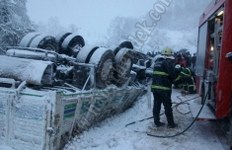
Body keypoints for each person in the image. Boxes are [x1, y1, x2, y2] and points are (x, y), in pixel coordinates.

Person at [151, 47, 178, 128]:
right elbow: (173, 76)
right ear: (170, 55)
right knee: (167, 106)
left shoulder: (156, 62)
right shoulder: (168, 62)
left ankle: (157, 122)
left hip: (155, 88)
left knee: (156, 105)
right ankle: (171, 124)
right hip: (164, 89)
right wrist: (177, 71)